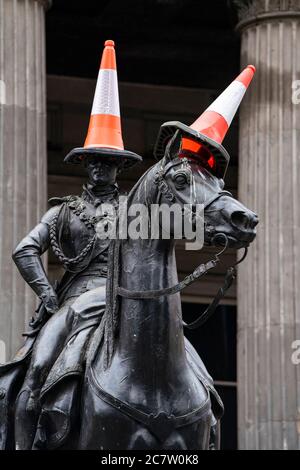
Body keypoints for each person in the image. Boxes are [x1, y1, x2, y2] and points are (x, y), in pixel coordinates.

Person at [0, 40, 142, 450]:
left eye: (109, 161)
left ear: (120, 167)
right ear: (84, 165)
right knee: (36, 369)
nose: (101, 167)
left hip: (125, 302)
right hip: (73, 304)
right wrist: (47, 296)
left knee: (185, 359)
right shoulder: (64, 212)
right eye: (94, 160)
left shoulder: (136, 212)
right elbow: (24, 249)